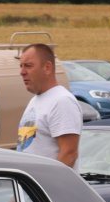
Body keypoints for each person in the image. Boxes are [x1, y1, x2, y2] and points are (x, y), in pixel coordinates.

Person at [16, 42, 81, 170]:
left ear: (47, 67)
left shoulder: (62, 101)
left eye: (28, 66)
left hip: (48, 189)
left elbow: (69, 154)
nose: (22, 72)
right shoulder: (36, 100)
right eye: (21, 66)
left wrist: (47, 188)